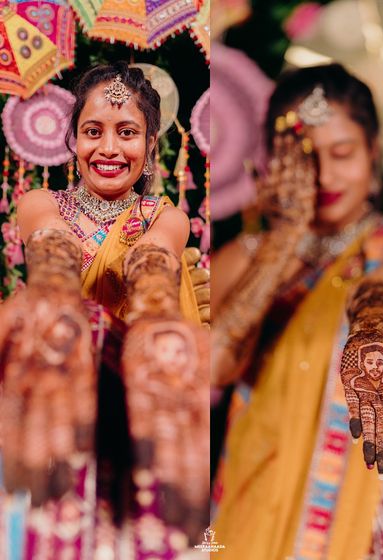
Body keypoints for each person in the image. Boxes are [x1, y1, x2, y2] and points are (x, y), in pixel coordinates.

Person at [0, 61, 209, 559]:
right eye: (93, 131)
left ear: (151, 142)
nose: (110, 149)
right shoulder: (40, 204)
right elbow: (54, 253)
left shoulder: (165, 218)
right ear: (73, 140)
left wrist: (158, 310)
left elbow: (153, 260)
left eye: (127, 133)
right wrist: (54, 295)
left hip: (142, 407)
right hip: (57, 391)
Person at [211, 63, 383, 559]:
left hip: (362, 517)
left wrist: (372, 329)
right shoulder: (249, 257)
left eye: (342, 153)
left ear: (373, 152)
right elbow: (211, 367)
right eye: (305, 159)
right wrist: (282, 242)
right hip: (247, 507)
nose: (324, 176)